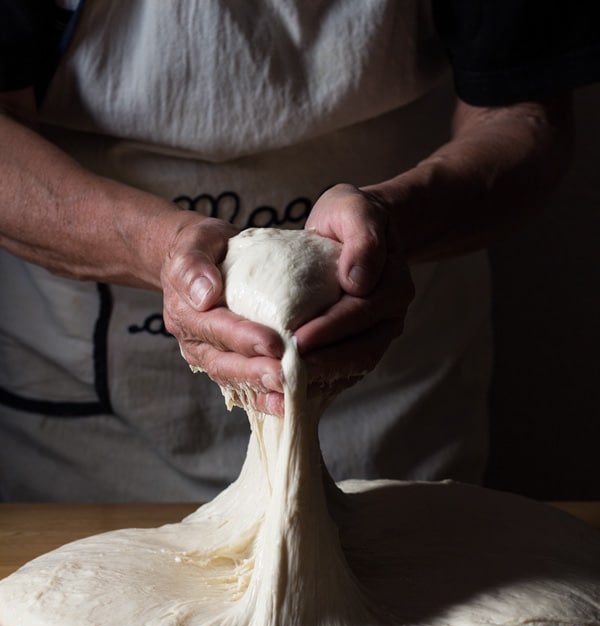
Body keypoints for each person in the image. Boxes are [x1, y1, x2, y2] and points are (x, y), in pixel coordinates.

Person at [0, 0, 598, 502]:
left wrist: (392, 224)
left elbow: (522, 111)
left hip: (390, 394)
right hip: (87, 426)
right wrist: (161, 248)